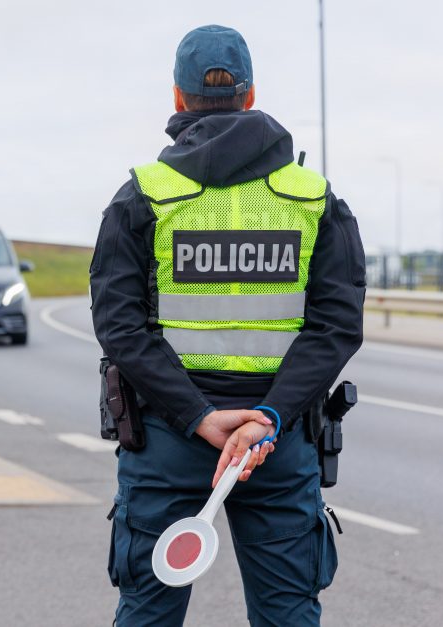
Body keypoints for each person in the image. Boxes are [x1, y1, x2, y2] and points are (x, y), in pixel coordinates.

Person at [90, 25, 365, 626]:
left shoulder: (143, 197)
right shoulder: (313, 200)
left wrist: (198, 417)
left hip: (168, 442)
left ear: (178, 98)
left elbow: (119, 326)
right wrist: (267, 418)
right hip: (277, 442)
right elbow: (337, 327)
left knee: (147, 613)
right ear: (251, 93)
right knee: (288, 615)